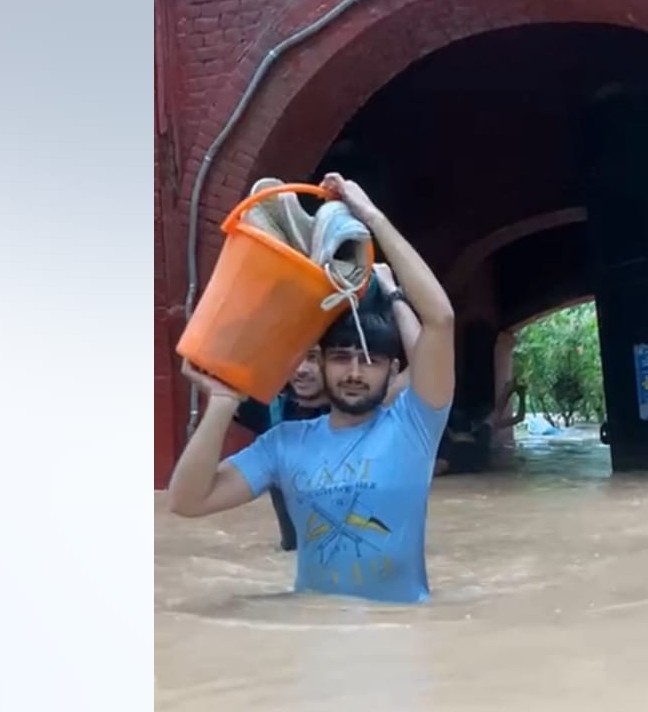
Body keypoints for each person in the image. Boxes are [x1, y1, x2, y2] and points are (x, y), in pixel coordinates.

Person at [167, 173, 455, 604]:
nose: (354, 372)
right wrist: (223, 402)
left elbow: (440, 321)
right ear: (320, 362)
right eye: (340, 357)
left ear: (393, 369)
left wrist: (372, 220)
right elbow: (186, 502)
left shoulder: (414, 426)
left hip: (401, 631)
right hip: (311, 631)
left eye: (370, 361)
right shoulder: (283, 443)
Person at [230, 262, 423, 552]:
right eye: (295, 357)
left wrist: (392, 293)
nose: (301, 370)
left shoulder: (363, 411)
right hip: (296, 564)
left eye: (312, 357)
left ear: (331, 362)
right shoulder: (269, 411)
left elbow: (426, 365)